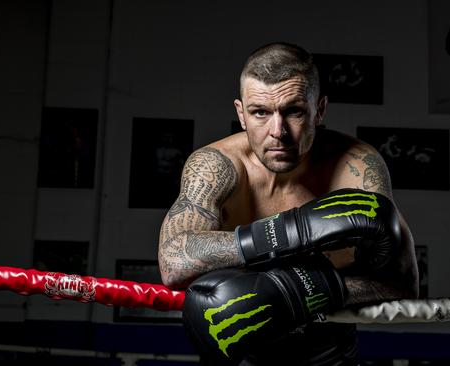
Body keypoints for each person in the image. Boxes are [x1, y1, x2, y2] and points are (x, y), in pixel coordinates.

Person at [158, 42, 418, 365]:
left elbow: (403, 281)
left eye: (293, 111)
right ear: (241, 113)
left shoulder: (358, 167)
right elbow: (173, 260)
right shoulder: (215, 166)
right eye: (260, 113)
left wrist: (305, 290)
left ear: (319, 110)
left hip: (332, 355)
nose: (277, 132)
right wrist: (289, 232)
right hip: (246, 355)